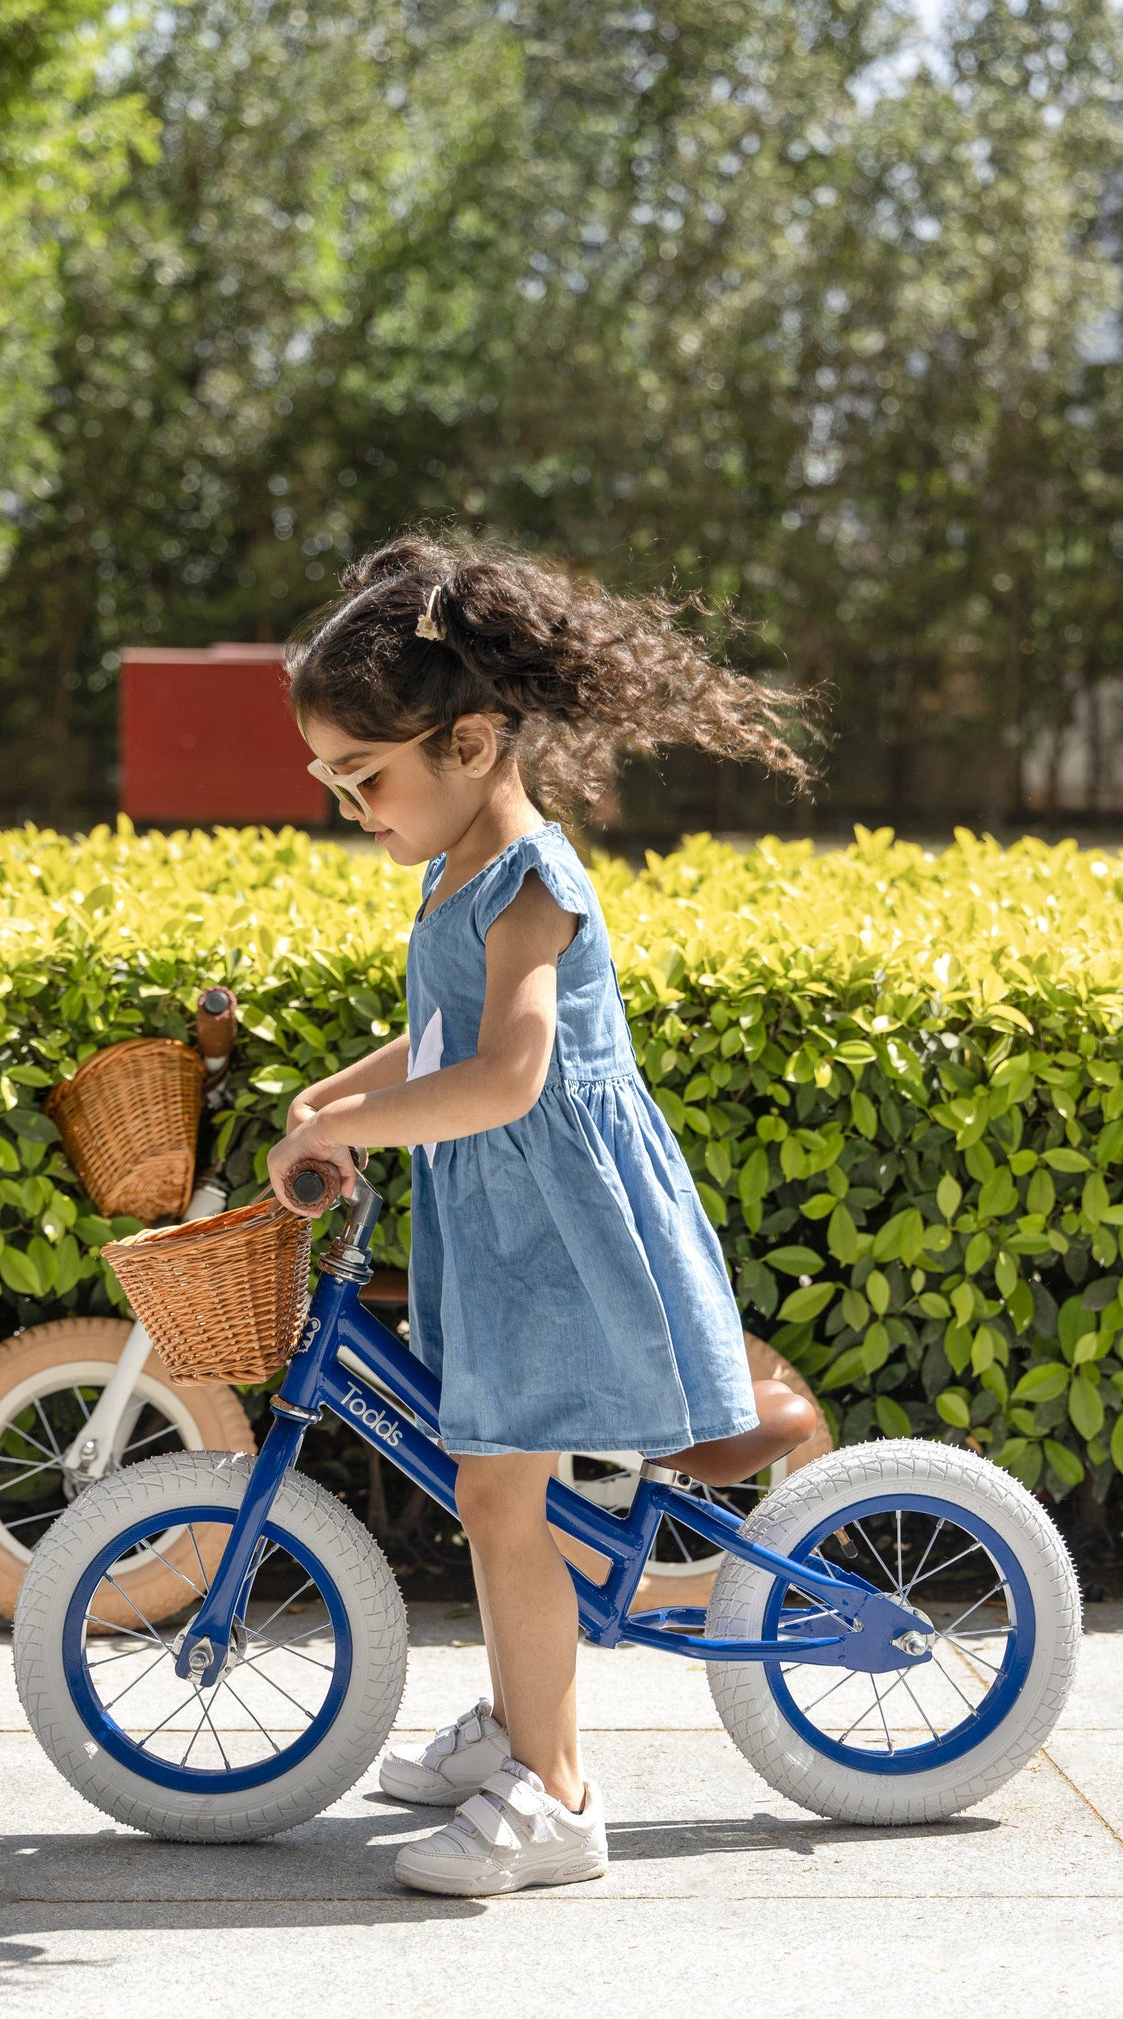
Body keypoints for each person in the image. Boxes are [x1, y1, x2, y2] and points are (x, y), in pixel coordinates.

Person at [265, 534, 815, 1897]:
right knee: (490, 1488)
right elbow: (440, 1042)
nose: (348, 807)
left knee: (504, 1497)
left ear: (469, 740)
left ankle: (556, 1794)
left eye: (363, 777)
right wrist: (335, 1096)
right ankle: (523, 1725)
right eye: (328, 779)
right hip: (514, 1232)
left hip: (565, 1237)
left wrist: (349, 1129)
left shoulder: (527, 884)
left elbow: (505, 1076)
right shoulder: (460, 871)